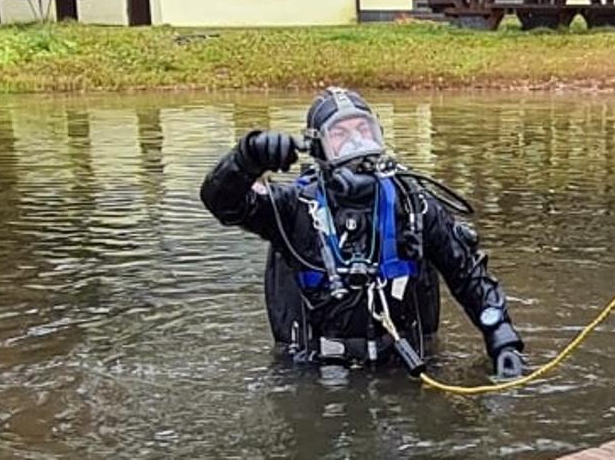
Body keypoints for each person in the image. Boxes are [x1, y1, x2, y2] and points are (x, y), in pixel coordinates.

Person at [200, 87, 526, 379]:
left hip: (404, 365)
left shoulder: (412, 203)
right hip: (316, 371)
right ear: (318, 146)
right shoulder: (293, 208)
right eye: (340, 134)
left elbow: (467, 274)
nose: (356, 142)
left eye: (363, 130)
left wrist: (501, 337)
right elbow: (221, 202)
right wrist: (246, 159)